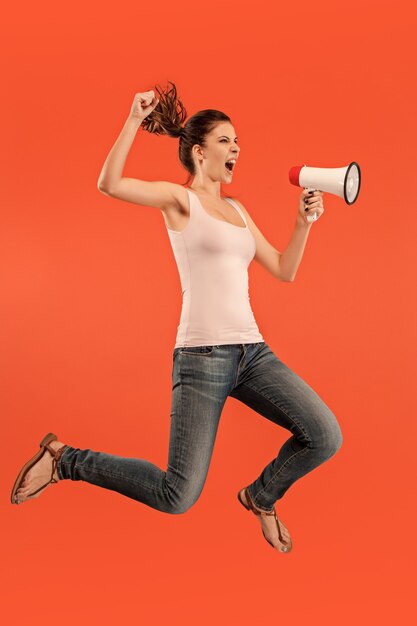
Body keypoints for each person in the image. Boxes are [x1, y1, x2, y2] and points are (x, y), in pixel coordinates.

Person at [11, 81, 342, 554]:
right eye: (226, 140)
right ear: (199, 153)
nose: (237, 148)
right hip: (201, 358)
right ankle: (65, 460)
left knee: (325, 435)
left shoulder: (238, 210)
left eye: (237, 141)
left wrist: (302, 223)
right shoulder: (179, 200)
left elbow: (284, 271)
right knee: (177, 496)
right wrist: (131, 120)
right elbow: (109, 184)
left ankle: (261, 496)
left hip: (253, 354)